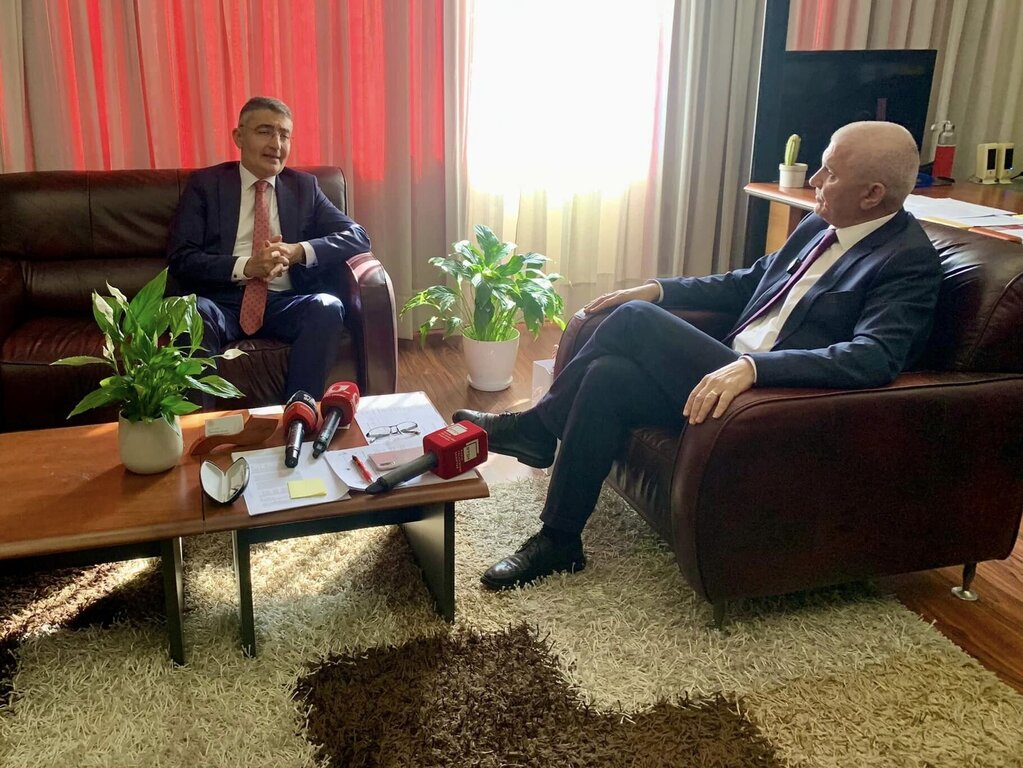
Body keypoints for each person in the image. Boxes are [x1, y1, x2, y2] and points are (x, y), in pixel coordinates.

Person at [454, 121, 942, 590]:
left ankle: (537, 430)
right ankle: (559, 539)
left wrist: (755, 368)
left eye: (830, 173)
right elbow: (749, 282)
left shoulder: (906, 260)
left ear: (872, 194)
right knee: (607, 375)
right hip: (721, 372)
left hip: (770, 401)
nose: (814, 180)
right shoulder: (820, 223)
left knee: (633, 320)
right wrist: (658, 288)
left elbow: (874, 356)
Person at [167, 96, 371, 402]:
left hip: (283, 302)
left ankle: (299, 414)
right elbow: (182, 257)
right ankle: (200, 425)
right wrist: (247, 267)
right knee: (193, 312)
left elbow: (358, 236)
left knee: (327, 307)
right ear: (239, 137)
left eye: (284, 135)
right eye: (265, 131)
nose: (276, 144)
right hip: (221, 302)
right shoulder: (206, 185)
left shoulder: (304, 187)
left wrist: (298, 251)